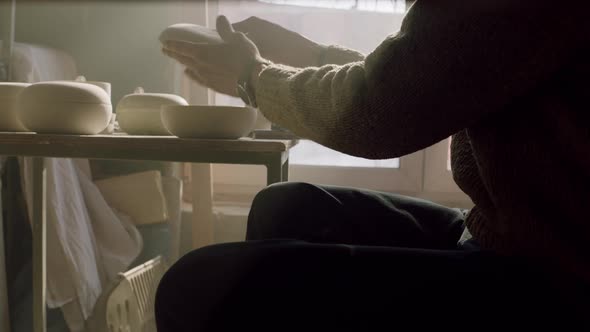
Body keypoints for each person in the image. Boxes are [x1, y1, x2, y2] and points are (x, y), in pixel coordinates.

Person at [156, 1, 590, 330]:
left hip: (555, 271)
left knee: (194, 287)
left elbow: (380, 111)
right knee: (285, 207)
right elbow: (430, 71)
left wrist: (252, 77)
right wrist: (309, 54)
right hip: (504, 230)